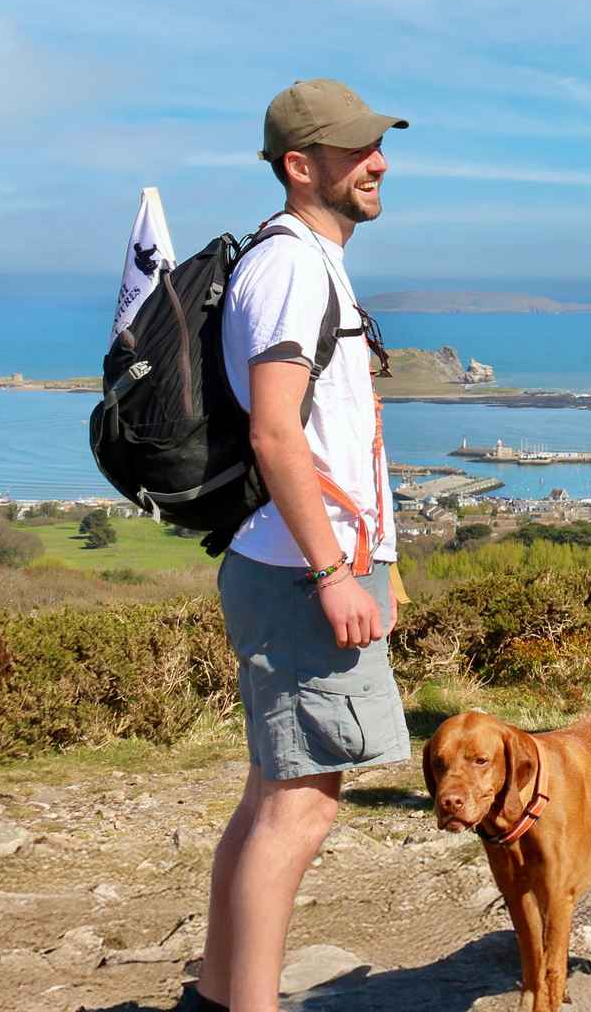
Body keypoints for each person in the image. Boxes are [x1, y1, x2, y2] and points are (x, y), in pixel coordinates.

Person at [186, 79, 410, 1012]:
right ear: (298, 165)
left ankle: (217, 993)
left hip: (297, 562)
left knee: (270, 796)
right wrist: (332, 572)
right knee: (300, 809)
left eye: (377, 145)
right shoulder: (289, 268)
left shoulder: (310, 261)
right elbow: (277, 431)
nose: (378, 161)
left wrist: (374, 563)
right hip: (298, 570)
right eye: (355, 149)